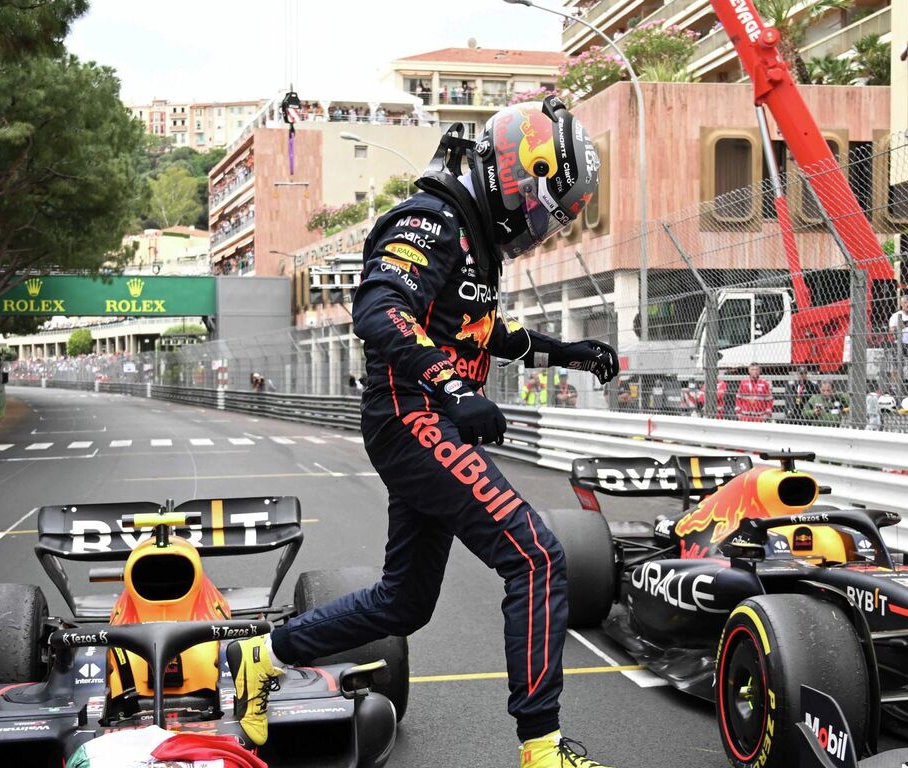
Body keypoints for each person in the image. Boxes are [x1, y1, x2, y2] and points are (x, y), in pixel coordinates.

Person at [232, 96, 621, 768]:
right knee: (535, 557)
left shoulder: (472, 239)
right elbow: (379, 311)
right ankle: (543, 750)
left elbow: (476, 328)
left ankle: (263, 656)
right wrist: (455, 388)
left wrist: (568, 351)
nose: (537, 228)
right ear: (513, 173)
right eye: (538, 209)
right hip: (413, 418)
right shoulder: (429, 219)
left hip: (427, 422)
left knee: (404, 602)